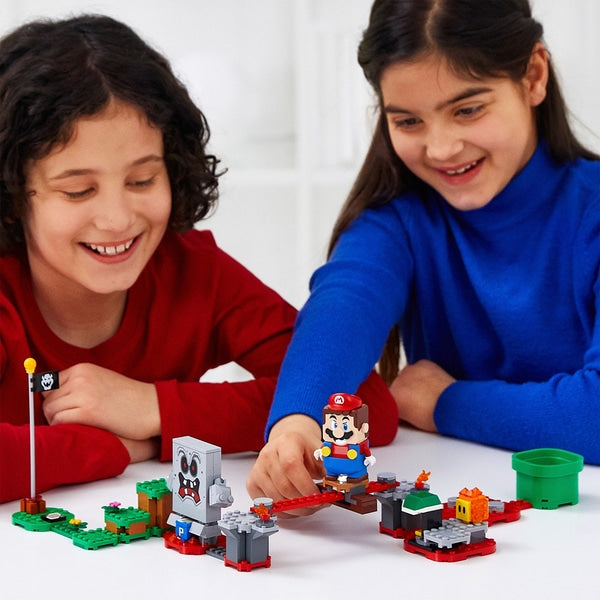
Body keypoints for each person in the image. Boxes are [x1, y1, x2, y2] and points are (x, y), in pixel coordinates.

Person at [0, 14, 398, 504]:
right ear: (13, 196)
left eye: (142, 180)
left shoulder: (195, 272)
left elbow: (365, 405)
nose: (117, 218)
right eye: (78, 190)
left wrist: (153, 409)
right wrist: (120, 447)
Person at [247, 0, 600, 509]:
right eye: (409, 121)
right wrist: (296, 423)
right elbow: (343, 306)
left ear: (533, 76)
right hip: (464, 515)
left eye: (468, 110)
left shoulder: (591, 210)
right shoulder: (398, 221)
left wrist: (443, 402)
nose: (441, 148)